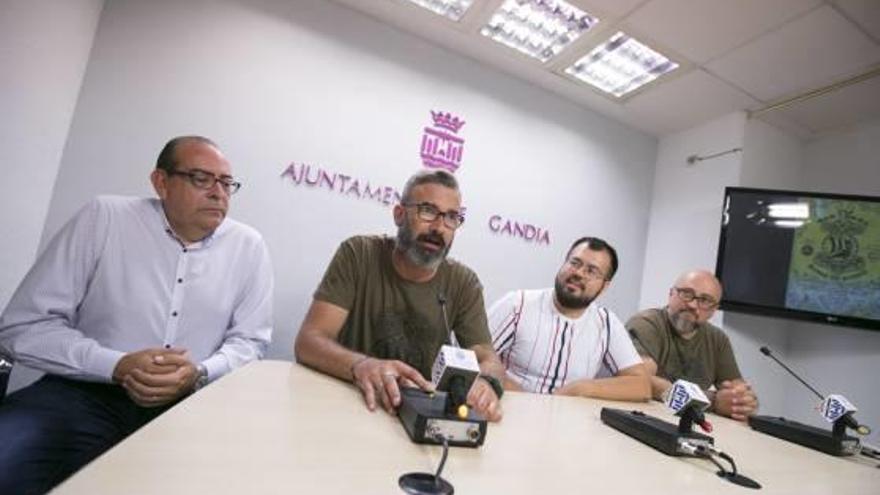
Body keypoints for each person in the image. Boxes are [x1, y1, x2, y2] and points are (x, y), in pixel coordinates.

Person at [0, 136, 274, 494]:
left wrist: (199, 372)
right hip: (83, 392)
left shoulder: (248, 246)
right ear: (161, 182)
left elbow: (250, 342)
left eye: (226, 183)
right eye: (201, 179)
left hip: (187, 406)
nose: (218, 193)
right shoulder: (105, 217)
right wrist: (116, 364)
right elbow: (24, 326)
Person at [295, 169, 505, 421]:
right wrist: (361, 365)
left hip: (421, 413)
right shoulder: (358, 254)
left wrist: (486, 383)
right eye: (428, 211)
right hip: (354, 403)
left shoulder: (464, 282)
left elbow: (487, 356)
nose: (439, 228)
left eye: (451, 217)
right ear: (399, 214)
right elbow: (309, 341)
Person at [488, 237, 650, 401]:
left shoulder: (607, 323)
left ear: (604, 286)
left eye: (591, 271)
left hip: (569, 421)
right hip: (510, 411)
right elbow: (474, 359)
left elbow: (641, 386)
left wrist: (583, 388)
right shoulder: (517, 305)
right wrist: (528, 401)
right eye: (575, 263)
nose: (578, 273)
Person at [626, 269, 758, 421]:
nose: (693, 305)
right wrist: (712, 402)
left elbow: (738, 394)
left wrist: (743, 403)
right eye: (687, 294)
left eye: (705, 300)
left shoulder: (718, 339)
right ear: (671, 294)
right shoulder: (647, 323)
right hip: (645, 417)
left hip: (690, 423)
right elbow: (641, 380)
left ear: (714, 310)